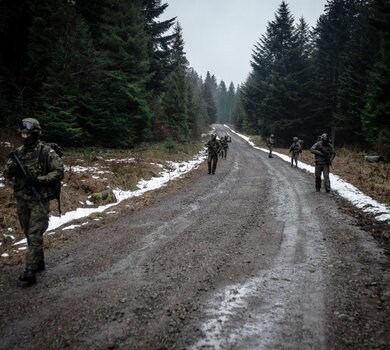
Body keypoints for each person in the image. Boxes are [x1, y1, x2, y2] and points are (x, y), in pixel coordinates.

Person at [3, 118, 64, 284]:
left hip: (39, 199)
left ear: (35, 134)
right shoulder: (18, 153)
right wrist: (14, 176)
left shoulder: (46, 152)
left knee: (35, 233)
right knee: (28, 232)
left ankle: (30, 270)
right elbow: (6, 175)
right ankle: (39, 261)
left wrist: (39, 180)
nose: (24, 136)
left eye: (27, 133)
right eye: (22, 133)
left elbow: (59, 172)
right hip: (22, 199)